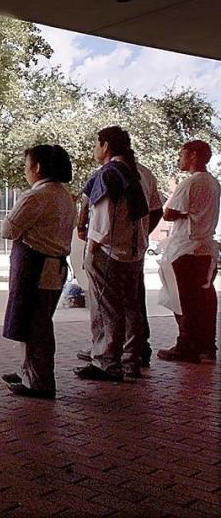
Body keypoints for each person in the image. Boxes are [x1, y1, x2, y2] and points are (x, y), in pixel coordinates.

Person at [75, 126, 151, 381]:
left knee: (107, 308)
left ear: (106, 146)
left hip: (108, 251)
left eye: (97, 145)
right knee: (132, 308)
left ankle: (107, 362)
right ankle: (130, 360)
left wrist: (92, 248)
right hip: (133, 252)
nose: (96, 150)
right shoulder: (137, 173)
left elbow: (103, 220)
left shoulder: (108, 174)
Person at [1, 145, 77, 398]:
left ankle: (40, 381)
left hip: (36, 267)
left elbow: (8, 230)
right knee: (35, 322)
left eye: (27, 165)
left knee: (36, 326)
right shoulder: (64, 196)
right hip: (54, 266)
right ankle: (29, 372)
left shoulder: (36, 196)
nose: (25, 170)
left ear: (37, 167)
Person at [156, 140, 220, 363]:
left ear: (193, 155)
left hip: (186, 249)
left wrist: (180, 213)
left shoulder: (190, 183)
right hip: (205, 249)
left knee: (182, 300)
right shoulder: (213, 182)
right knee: (204, 299)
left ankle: (187, 344)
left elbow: (169, 213)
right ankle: (207, 347)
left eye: (182, 154)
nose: (179, 159)